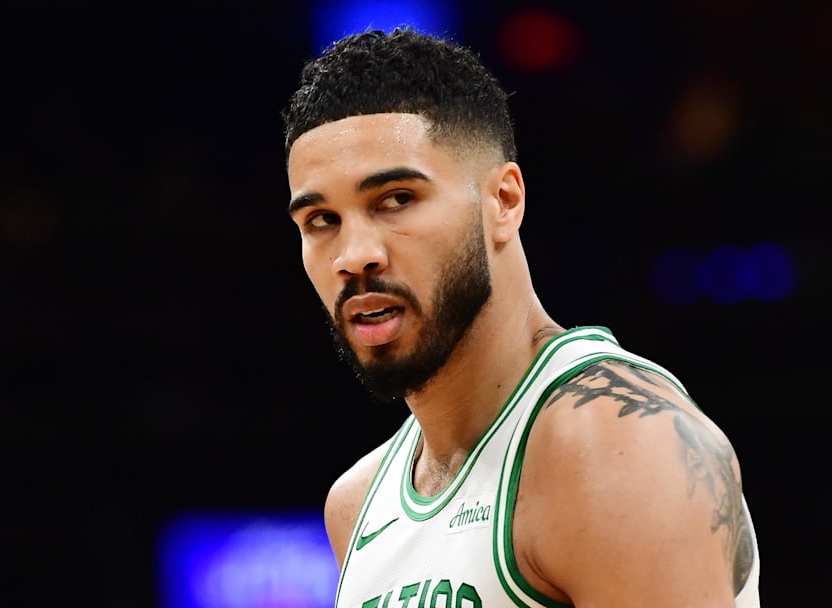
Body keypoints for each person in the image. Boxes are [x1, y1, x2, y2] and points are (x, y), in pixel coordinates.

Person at [281, 27, 761, 608]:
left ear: (503, 202)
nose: (354, 255)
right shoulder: (355, 505)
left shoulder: (619, 443)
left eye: (397, 199)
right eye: (321, 221)